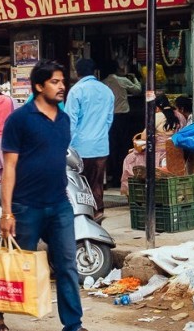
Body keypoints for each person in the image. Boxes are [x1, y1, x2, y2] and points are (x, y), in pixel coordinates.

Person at [0, 59, 105, 331]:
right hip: (26, 205)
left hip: (59, 205)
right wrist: (7, 212)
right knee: (17, 261)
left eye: (62, 81)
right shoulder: (20, 120)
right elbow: (10, 167)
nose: (62, 87)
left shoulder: (65, 120)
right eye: (55, 82)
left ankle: (73, 328)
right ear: (39, 86)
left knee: (67, 265)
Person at [65, 58, 115, 222]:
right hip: (100, 145)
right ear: (95, 72)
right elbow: (109, 120)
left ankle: (83, 217)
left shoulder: (76, 91)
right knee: (97, 183)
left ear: (77, 72)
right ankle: (98, 211)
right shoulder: (107, 91)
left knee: (79, 185)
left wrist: (66, 145)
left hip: (80, 147)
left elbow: (70, 121)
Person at [120, 94, 186, 196]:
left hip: (157, 154)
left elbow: (144, 137)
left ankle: (134, 193)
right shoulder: (180, 116)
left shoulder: (157, 116)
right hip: (176, 152)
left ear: (156, 107)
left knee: (130, 159)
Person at [102, 63, 142, 188]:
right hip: (123, 117)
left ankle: (113, 175)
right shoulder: (121, 80)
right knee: (123, 146)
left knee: (112, 147)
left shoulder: (102, 83)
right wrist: (134, 77)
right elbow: (137, 90)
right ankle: (121, 174)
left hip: (109, 118)